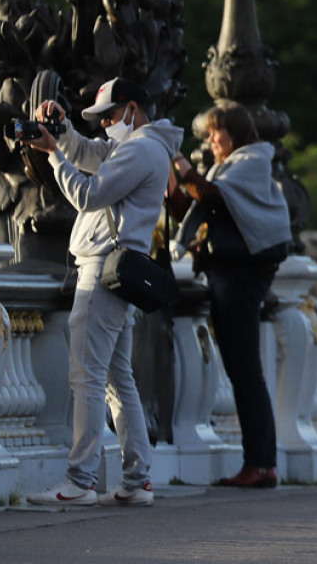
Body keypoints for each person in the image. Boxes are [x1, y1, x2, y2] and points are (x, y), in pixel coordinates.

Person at [25, 77, 184, 507]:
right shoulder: (143, 147)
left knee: (87, 377)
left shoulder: (140, 148)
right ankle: (137, 480)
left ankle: (80, 480)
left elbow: (87, 193)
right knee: (117, 381)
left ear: (133, 108)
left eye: (111, 116)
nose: (108, 124)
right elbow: (93, 155)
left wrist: (53, 155)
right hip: (117, 271)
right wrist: (63, 133)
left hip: (101, 270)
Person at [169, 102, 290, 489]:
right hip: (228, 276)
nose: (210, 140)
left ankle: (260, 463)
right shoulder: (232, 167)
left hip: (239, 277)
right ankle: (261, 463)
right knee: (243, 371)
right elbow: (197, 207)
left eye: (215, 132)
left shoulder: (251, 160)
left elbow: (212, 199)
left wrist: (179, 162)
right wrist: (171, 181)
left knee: (245, 371)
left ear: (234, 131)